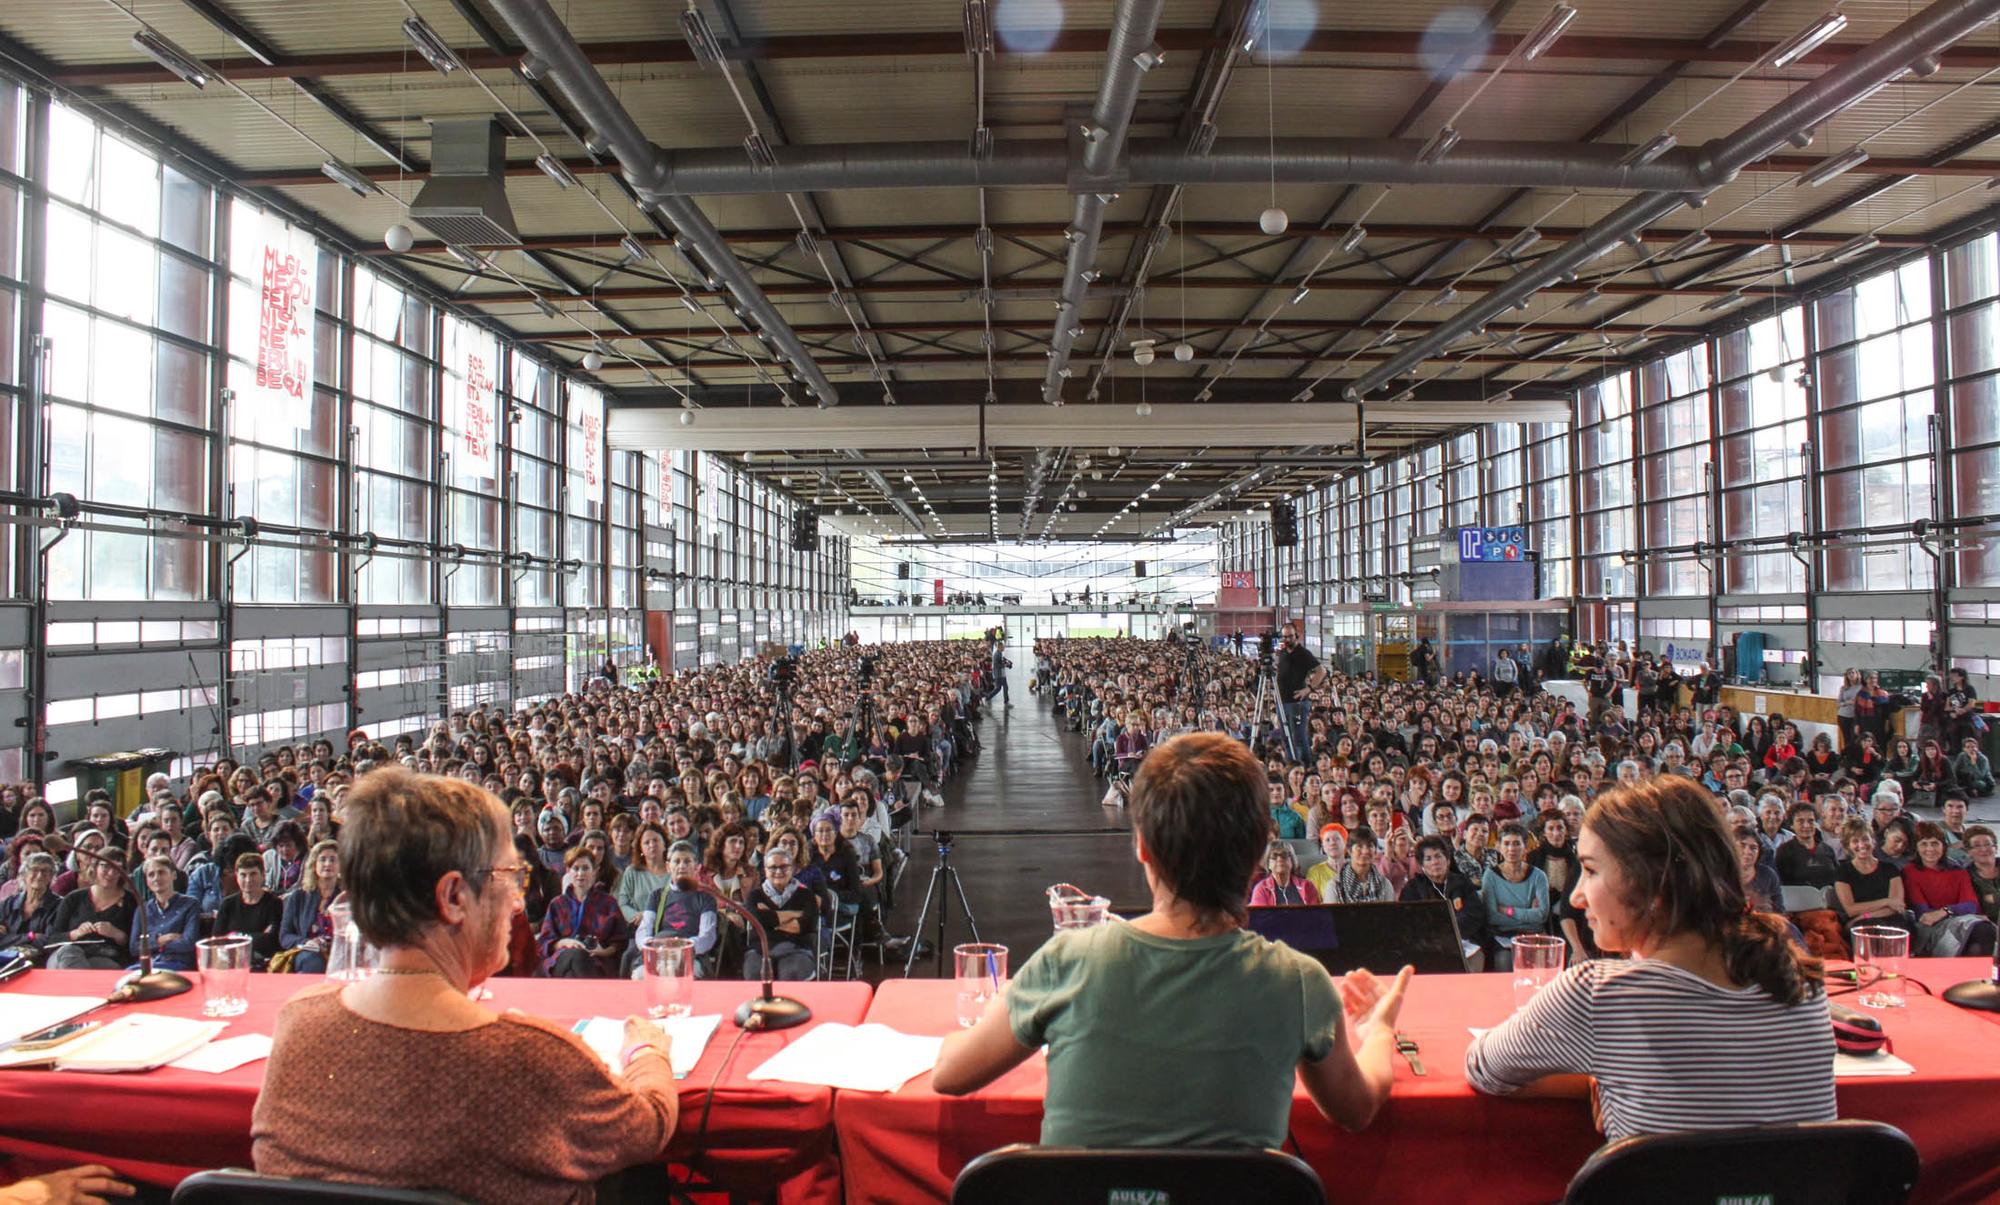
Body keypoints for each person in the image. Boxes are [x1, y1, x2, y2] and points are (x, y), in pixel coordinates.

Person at [932, 732, 1412, 1147]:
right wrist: (1379, 1029)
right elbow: (1358, 1107)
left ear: (1142, 846)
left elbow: (951, 1074)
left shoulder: (1068, 960)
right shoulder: (1300, 983)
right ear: (1257, 855)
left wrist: (978, 1027)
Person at [252, 767, 677, 1202]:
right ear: (454, 898)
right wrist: (646, 1050)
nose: (516, 899)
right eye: (510, 876)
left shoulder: (298, 1023)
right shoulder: (531, 1054)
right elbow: (649, 1125)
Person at [1466, 777, 1833, 1141]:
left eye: (1591, 871)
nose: (1576, 897)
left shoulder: (1597, 993)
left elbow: (1484, 1067)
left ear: (1653, 883)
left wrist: (1596, 1079)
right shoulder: (1802, 983)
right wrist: (1615, 1075)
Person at [1902, 822, 1996, 957]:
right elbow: (1924, 915)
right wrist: (1956, 910)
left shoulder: (1958, 871)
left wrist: (1945, 911)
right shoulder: (1910, 872)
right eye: (1924, 844)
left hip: (1962, 924)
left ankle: (1984, 976)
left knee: (1980, 938)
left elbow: (1971, 906)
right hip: (1931, 930)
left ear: (1943, 846)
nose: (1930, 849)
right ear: (1916, 847)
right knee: (1983, 930)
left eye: (1935, 843)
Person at [538, 847, 627, 978]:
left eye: (585, 868)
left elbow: (621, 942)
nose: (580, 874)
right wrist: (564, 943)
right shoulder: (557, 904)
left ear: (595, 871)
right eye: (576, 868)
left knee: (572, 974)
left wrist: (603, 951)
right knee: (575, 955)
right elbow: (544, 942)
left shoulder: (609, 903)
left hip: (597, 962)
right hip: (561, 959)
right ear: (568, 871)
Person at [1401, 835, 1487, 966]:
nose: (1434, 862)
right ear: (1422, 865)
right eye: (1428, 859)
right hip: (1427, 944)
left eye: (1438, 856)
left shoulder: (1462, 883)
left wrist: (1449, 932)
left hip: (1462, 941)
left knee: (1475, 960)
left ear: (1447, 860)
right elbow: (1410, 920)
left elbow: (1474, 915)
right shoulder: (1413, 888)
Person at [46, 850, 133, 970]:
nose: (111, 872)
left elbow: (135, 945)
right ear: (95, 867)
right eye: (105, 866)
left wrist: (116, 933)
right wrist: (76, 933)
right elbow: (52, 939)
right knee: (69, 952)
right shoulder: (73, 898)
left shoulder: (131, 902)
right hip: (65, 955)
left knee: (97, 966)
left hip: (106, 957)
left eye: (117, 868)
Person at [1481, 823, 1550, 967]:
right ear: (1498, 847)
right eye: (1506, 844)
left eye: (1517, 843)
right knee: (1503, 961)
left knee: (1541, 966)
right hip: (1503, 937)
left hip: (1533, 935)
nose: (1511, 849)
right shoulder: (1490, 876)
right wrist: (1529, 915)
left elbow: (1542, 915)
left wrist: (1507, 910)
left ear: (1525, 847)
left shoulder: (1538, 876)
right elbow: (1493, 917)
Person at [745, 845, 817, 981]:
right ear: (765, 870)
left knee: (791, 974)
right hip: (760, 950)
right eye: (773, 867)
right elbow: (757, 921)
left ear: (793, 869)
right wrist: (795, 914)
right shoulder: (754, 895)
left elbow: (804, 926)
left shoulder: (806, 895)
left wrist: (770, 919)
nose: (778, 871)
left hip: (797, 949)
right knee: (754, 974)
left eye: (784, 866)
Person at [1834, 820, 1913, 941]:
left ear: (1873, 840)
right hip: (1862, 925)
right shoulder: (1843, 871)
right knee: (1871, 931)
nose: (1861, 845)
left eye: (1865, 839)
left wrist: (1864, 915)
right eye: (1855, 841)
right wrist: (1886, 901)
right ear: (1847, 846)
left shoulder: (1890, 869)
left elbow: (1897, 905)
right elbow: (1851, 909)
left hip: (1890, 920)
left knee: (1895, 929)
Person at [277, 841, 341, 974]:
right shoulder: (298, 897)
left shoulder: (348, 898)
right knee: (312, 961)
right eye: (322, 859)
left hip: (339, 953)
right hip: (309, 953)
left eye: (333, 860)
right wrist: (307, 942)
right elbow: (285, 936)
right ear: (314, 865)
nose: (327, 864)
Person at [127, 856, 200, 973]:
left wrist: (152, 944)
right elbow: (134, 948)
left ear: (174, 875)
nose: (156, 878)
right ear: (146, 881)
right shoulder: (142, 909)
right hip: (146, 964)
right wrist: (161, 940)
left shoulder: (190, 904)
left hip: (177, 964)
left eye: (161, 872)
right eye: (151, 875)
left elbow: (188, 943)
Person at [214, 851, 284, 967]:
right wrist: (258, 936)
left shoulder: (274, 903)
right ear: (236, 876)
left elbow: (271, 940)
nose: (248, 880)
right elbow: (217, 939)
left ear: (263, 875)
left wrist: (233, 936)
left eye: (253, 874)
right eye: (243, 875)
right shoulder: (228, 904)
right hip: (230, 960)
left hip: (264, 962)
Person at [0, 853, 61, 962]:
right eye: (34, 869)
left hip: (40, 960)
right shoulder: (9, 903)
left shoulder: (59, 905)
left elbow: (48, 940)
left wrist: (10, 937)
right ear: (24, 874)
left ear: (51, 877)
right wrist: (29, 936)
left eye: (45, 871)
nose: (39, 875)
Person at [1775, 802, 1839, 890]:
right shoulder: (1784, 851)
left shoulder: (1828, 850)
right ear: (1792, 825)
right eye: (1800, 821)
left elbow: (1838, 879)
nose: (1806, 825)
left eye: (1811, 821)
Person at [1329, 827, 1395, 903]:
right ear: (1349, 851)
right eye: (1359, 847)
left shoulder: (1385, 884)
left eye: (1370, 846)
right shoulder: (1335, 886)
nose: (1365, 851)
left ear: (1375, 851)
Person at [1249, 841, 1319, 905]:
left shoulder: (1307, 886)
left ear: (1292, 861)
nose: (1279, 859)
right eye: (1274, 856)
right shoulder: (1261, 889)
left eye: (1284, 855)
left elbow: (1315, 915)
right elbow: (1260, 917)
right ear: (1268, 863)